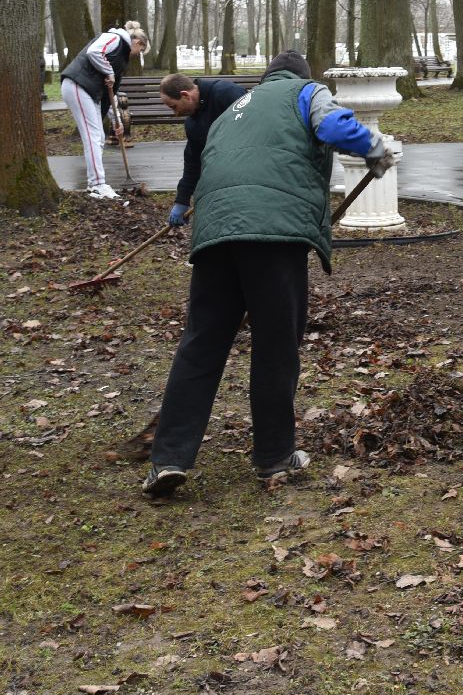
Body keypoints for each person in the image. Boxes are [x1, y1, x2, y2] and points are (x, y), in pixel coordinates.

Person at [142, 51, 395, 497]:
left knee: (201, 344)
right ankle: (274, 456)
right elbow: (333, 126)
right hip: (274, 235)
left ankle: (168, 458)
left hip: (215, 234)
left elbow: (205, 166)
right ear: (302, 76)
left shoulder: (234, 109)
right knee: (275, 346)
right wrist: (374, 148)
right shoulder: (306, 92)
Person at [60, 21, 149, 200]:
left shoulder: (121, 58)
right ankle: (97, 184)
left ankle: (95, 184)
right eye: (140, 52)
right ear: (138, 42)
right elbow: (94, 52)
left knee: (98, 136)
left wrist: (117, 121)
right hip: (78, 85)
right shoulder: (115, 38)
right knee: (93, 136)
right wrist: (109, 72)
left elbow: (111, 94)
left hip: (88, 90)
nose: (137, 56)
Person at [157, 73, 250, 228]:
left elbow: (254, 127)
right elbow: (193, 162)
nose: (176, 113)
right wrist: (182, 200)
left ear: (185, 95)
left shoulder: (226, 93)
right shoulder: (192, 124)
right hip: (227, 181)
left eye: (174, 106)